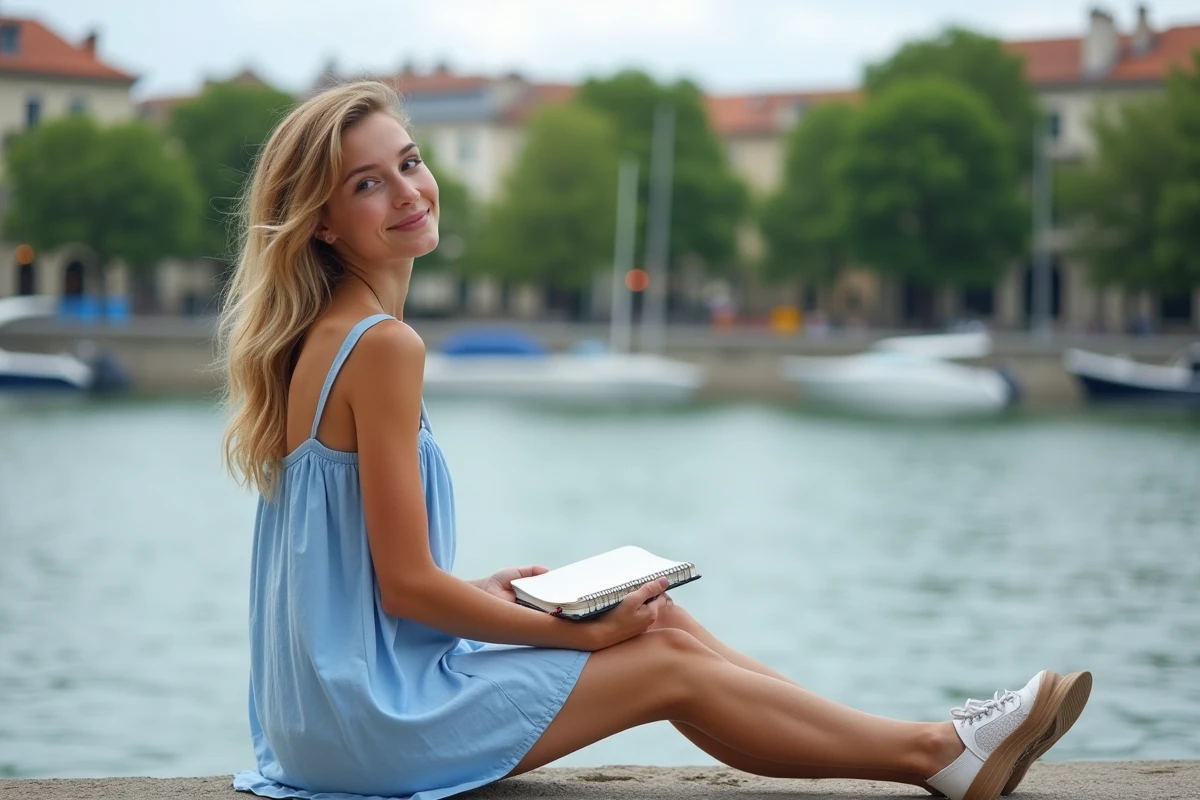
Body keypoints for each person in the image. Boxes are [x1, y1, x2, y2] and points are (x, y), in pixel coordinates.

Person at [219, 81, 1092, 800]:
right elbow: (406, 587)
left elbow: (368, 574)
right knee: (664, 658)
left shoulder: (323, 337)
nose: (409, 192)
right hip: (366, 729)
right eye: (368, 184)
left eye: (410, 162)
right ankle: (934, 754)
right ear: (321, 221)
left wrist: (481, 592)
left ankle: (925, 743)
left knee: (658, 614)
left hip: (316, 722)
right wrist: (581, 640)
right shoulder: (382, 346)